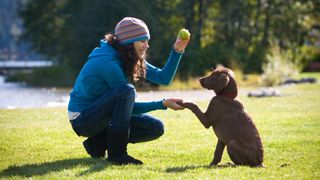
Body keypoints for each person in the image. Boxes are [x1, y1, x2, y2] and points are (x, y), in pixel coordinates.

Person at [68, 17, 190, 165]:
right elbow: (129, 106)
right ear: (128, 43)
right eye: (143, 41)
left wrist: (177, 50)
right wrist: (162, 104)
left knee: (155, 128)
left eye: (147, 40)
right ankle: (117, 154)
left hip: (101, 117)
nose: (147, 46)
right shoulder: (109, 63)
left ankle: (98, 143)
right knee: (126, 91)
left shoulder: (127, 55)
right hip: (83, 119)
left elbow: (163, 78)